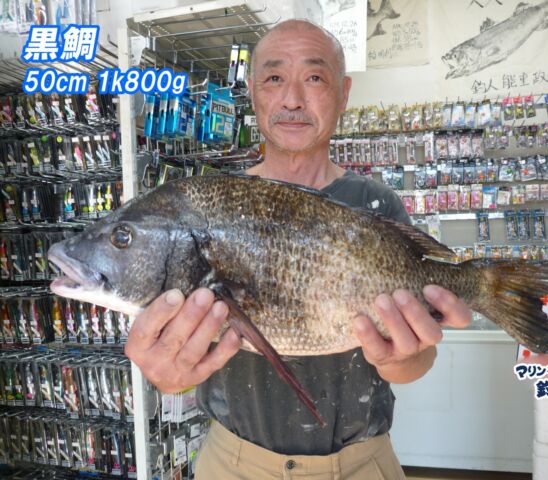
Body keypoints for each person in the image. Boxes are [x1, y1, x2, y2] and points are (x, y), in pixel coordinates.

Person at [125, 19, 472, 480]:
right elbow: (184, 371)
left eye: (314, 77)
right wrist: (168, 376)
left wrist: (404, 357)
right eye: (273, 78)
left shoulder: (376, 204)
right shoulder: (209, 209)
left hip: (361, 464)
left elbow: (416, 362)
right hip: (232, 464)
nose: (292, 99)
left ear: (343, 93)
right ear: (252, 92)